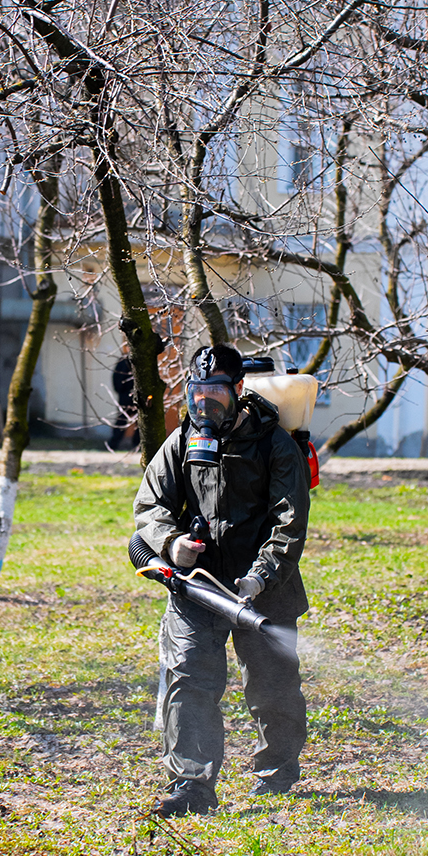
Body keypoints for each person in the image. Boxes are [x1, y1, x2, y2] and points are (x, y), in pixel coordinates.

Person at [133, 342, 310, 817]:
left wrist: (258, 579)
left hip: (265, 589)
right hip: (199, 585)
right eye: (197, 393)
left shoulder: (275, 445)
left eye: (216, 393)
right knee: (189, 678)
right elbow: (150, 506)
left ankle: (276, 772)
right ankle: (191, 786)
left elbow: (289, 524)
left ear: (238, 390)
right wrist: (172, 545)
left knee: (272, 686)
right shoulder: (184, 440)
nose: (205, 404)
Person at [107, 351, 139, 451]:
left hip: (126, 396)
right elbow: (117, 379)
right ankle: (136, 444)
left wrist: (121, 391)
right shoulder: (129, 361)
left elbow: (116, 378)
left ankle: (114, 444)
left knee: (122, 421)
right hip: (132, 396)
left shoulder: (123, 361)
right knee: (136, 422)